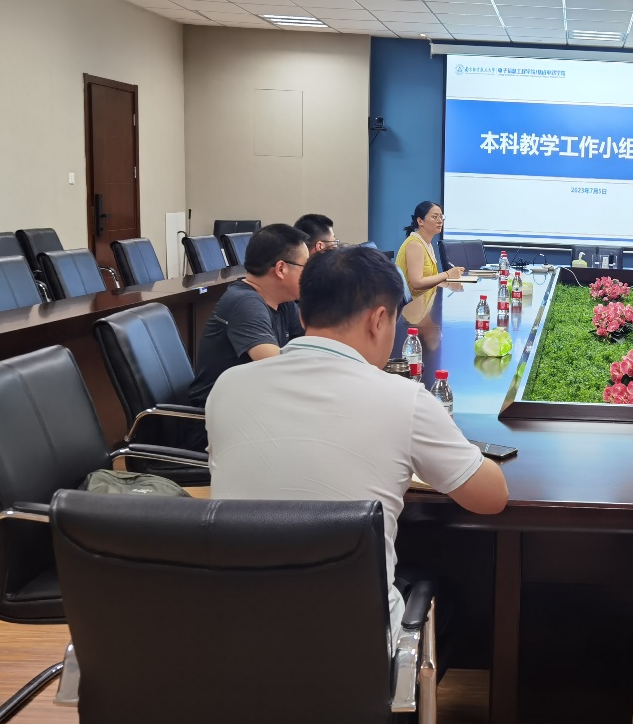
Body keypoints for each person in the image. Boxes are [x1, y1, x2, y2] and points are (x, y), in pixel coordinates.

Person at [206, 245, 509, 643]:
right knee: (448, 592)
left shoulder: (227, 387)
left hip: (236, 637)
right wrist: (447, 438)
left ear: (302, 315)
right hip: (356, 647)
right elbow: (491, 498)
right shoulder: (405, 400)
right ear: (379, 319)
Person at [186, 223, 308, 410]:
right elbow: (277, 368)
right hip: (215, 417)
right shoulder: (245, 303)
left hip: (252, 406)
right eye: (306, 267)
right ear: (281, 269)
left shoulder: (283, 302)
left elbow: (313, 341)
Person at [397, 201, 464, 294]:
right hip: (414, 301)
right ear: (420, 221)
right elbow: (417, 283)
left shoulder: (427, 244)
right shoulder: (415, 244)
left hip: (426, 298)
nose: (440, 221)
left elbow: (430, 280)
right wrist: (447, 274)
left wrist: (449, 285)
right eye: (434, 217)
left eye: (441, 217)